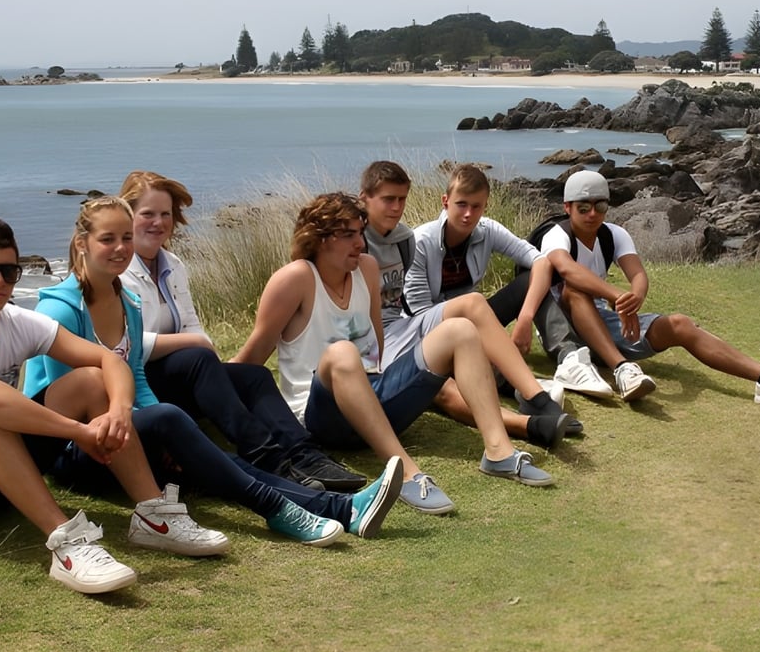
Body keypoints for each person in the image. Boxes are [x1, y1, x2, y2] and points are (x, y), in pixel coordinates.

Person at [22, 196, 403, 552]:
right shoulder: (61, 311)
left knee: (203, 450)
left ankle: (339, 506)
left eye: (126, 237)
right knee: (180, 428)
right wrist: (158, 429)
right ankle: (303, 507)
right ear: (82, 243)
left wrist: (163, 437)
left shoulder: (128, 304)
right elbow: (70, 407)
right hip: (78, 450)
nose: (121, 248)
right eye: (108, 239)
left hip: (124, 432)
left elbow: (136, 377)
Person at [233, 192, 553, 516]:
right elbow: (252, 356)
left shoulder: (367, 269)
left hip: (376, 402)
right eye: (348, 235)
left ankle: (499, 452)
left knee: (462, 329)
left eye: (360, 232)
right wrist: (209, 401)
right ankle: (407, 474)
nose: (360, 242)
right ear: (318, 237)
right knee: (343, 353)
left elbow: (377, 345)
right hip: (322, 417)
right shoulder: (295, 278)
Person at [0, 213, 230, 595]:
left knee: (90, 380)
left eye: (9, 271)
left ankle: (154, 515)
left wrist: (119, 412)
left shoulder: (17, 321)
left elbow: (110, 361)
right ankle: (66, 542)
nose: (0, 281)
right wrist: (78, 432)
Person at [117, 170, 364, 492]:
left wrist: (195, 343)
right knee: (196, 358)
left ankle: (306, 455)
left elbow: (193, 325)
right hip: (135, 385)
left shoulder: (172, 265)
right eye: (147, 214)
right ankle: (270, 460)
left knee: (252, 375)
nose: (158, 222)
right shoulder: (118, 269)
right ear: (128, 216)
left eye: (166, 214)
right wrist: (192, 343)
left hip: (179, 375)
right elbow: (126, 345)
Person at [540, 169, 760, 404]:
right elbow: (567, 270)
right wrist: (616, 295)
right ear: (567, 208)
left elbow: (638, 274)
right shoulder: (556, 235)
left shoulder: (614, 234)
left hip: (603, 323)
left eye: (599, 206)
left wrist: (635, 298)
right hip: (565, 333)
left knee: (680, 324)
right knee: (573, 288)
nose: (592, 214)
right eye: (583, 208)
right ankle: (622, 369)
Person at [362, 161, 577, 449]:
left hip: (442, 326)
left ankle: (544, 388)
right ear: (446, 201)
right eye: (462, 204)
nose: (468, 214)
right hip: (421, 328)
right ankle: (531, 423)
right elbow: (415, 312)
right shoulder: (417, 241)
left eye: (476, 207)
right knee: (444, 386)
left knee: (521, 284)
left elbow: (540, 260)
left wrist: (524, 320)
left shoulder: (403, 240)